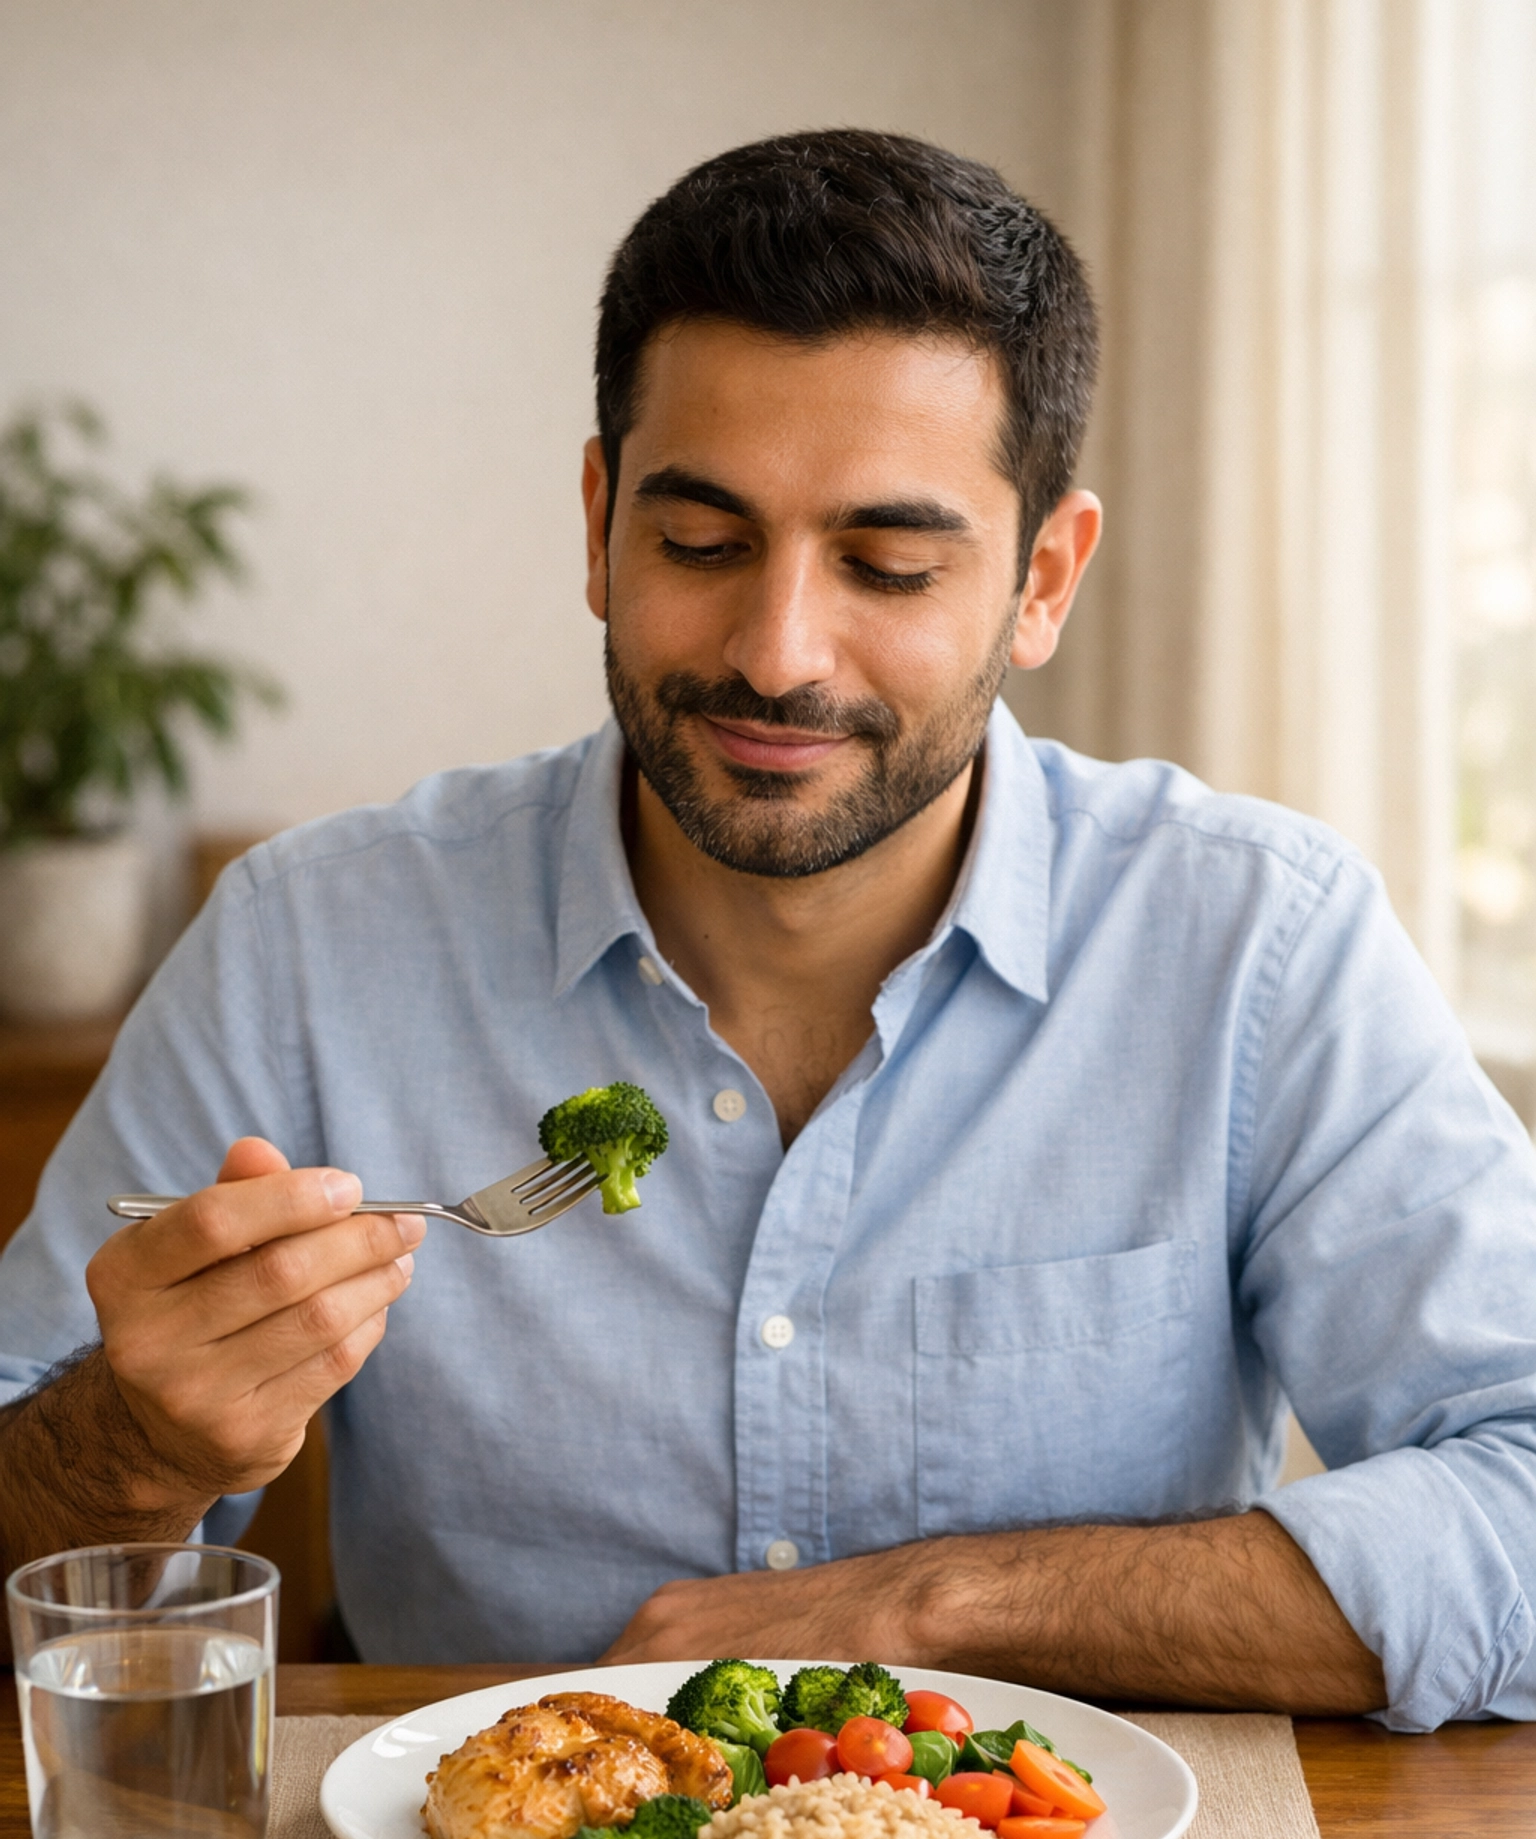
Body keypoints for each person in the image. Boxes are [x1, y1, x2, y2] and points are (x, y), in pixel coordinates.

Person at [3, 130, 1534, 1730]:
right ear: (599, 520)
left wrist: (931, 1609)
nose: (778, 652)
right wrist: (137, 1442)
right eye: (702, 544)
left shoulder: (1255, 943)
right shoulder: (308, 946)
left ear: (1043, 580)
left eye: (887, 562)